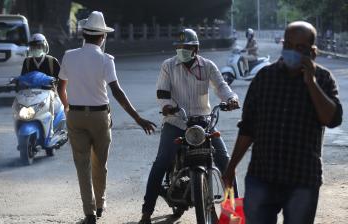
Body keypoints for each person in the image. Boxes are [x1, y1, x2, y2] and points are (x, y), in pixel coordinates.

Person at [223, 21, 343, 224]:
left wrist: (310, 82)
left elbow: (331, 119)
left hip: (302, 179)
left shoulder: (323, 79)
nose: (291, 51)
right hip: (262, 175)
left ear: (312, 51)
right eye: (288, 45)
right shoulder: (264, 78)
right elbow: (248, 127)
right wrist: (231, 166)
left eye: (299, 48)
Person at [57, 11, 156, 224]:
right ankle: (100, 205)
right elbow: (117, 92)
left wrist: (67, 106)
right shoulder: (105, 59)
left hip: (75, 115)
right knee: (99, 164)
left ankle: (89, 213)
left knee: (82, 166)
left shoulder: (69, 56)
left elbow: (60, 85)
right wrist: (138, 119)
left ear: (84, 34)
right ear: (102, 37)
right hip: (100, 117)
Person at [139, 28, 240, 224]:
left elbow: (221, 87)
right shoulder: (168, 66)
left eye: (186, 47)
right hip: (177, 121)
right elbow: (162, 92)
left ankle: (233, 213)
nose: (181, 50)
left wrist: (231, 99)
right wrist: (167, 106)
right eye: (179, 47)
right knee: (161, 162)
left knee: (226, 163)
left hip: (204, 122)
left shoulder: (208, 66)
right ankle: (146, 211)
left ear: (196, 49)